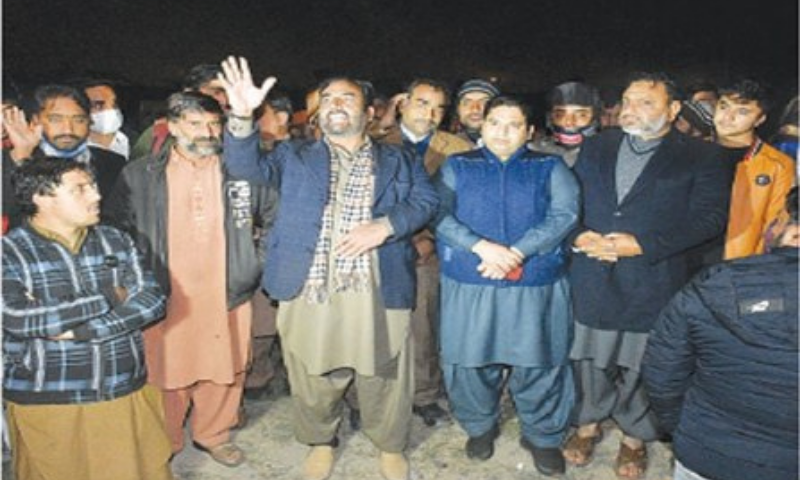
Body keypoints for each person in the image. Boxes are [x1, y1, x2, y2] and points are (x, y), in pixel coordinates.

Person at [219, 56, 438, 480]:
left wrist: (386, 225)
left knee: (384, 370)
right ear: (318, 113)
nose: (335, 104)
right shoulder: (293, 155)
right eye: (328, 98)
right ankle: (320, 441)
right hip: (310, 284)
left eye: (347, 97)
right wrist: (242, 115)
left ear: (369, 111)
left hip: (378, 283)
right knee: (313, 371)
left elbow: (426, 202)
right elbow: (244, 168)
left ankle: (390, 445)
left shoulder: (399, 159)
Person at [564, 72, 731, 480]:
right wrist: (578, 234)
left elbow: (710, 219)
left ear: (673, 110)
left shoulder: (701, 156)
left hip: (654, 276)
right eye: (627, 100)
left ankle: (635, 437)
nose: (631, 110)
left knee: (643, 364)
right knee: (590, 357)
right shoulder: (597, 145)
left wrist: (642, 244)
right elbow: (568, 201)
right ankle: (588, 423)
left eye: (646, 103)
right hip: (593, 269)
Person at [106, 91, 276, 467]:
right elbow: (115, 231)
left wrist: (254, 262)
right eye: (196, 124)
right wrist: (129, 280)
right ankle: (165, 438)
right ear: (172, 125)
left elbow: (274, 216)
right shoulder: (140, 174)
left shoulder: (243, 172)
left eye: (214, 124)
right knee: (167, 368)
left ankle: (213, 434)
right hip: (166, 290)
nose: (207, 132)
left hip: (226, 289)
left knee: (226, 366)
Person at [2, 157, 172, 480]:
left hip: (121, 387)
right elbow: (18, 317)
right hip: (49, 396)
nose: (96, 196)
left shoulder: (116, 240)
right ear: (40, 196)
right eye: (80, 189)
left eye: (92, 186)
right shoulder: (10, 252)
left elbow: (152, 300)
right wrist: (109, 296)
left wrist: (85, 331)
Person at [435, 96, 579, 476]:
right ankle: (480, 426)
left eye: (513, 125)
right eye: (495, 123)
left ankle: (543, 435)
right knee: (469, 361)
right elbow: (439, 213)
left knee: (540, 361)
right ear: (481, 126)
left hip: (534, 282)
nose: (502, 132)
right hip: (472, 278)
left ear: (529, 131)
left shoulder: (550, 166)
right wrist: (480, 246)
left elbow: (564, 214)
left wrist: (517, 252)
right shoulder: (457, 166)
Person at [643, 188, 799, 480]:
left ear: (794, 233)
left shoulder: (717, 284)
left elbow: (662, 374)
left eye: (778, 219)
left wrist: (687, 429)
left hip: (708, 452)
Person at [371, 78, 472, 427]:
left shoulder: (458, 149)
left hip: (427, 250)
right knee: (369, 323)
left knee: (423, 323)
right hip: (375, 245)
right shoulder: (374, 140)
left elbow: (461, 204)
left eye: (437, 107)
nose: (428, 113)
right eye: (420, 103)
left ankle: (425, 395)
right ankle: (363, 399)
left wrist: (430, 238)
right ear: (403, 104)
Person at [2, 84, 127, 208]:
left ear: (90, 122)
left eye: (78, 120)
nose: (68, 130)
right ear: (36, 121)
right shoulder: (16, 159)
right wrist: (22, 155)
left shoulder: (114, 163)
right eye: (56, 120)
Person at [713, 79, 796, 260]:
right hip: (684, 262)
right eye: (724, 106)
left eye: (742, 111)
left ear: (760, 119)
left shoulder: (778, 165)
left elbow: (775, 225)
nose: (728, 117)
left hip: (738, 264)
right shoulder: (689, 152)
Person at [131, 63, 230, 158]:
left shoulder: (239, 135)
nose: (225, 100)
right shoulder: (159, 133)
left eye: (229, 92)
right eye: (216, 92)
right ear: (189, 94)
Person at [530, 81, 602, 167]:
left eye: (581, 115)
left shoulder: (609, 154)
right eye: (560, 115)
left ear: (595, 118)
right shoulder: (533, 154)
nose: (569, 122)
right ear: (549, 118)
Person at [82, 79, 131, 159]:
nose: (108, 110)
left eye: (114, 105)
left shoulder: (124, 140)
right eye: (97, 106)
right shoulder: (68, 146)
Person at [452, 79, 500, 146]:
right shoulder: (443, 149)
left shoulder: (515, 148)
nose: (475, 109)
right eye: (467, 102)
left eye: (484, 102)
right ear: (458, 109)